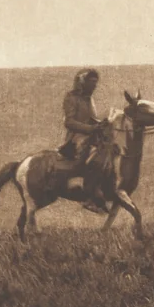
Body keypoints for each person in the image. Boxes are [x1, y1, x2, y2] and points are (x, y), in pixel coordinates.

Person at [59, 68, 108, 214]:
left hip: (91, 134)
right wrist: (91, 129)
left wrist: (101, 124)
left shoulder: (89, 99)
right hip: (77, 137)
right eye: (92, 82)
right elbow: (69, 122)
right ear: (82, 82)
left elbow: (92, 118)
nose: (95, 85)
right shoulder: (71, 98)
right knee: (92, 157)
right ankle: (88, 197)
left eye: (96, 82)